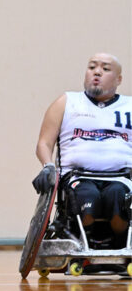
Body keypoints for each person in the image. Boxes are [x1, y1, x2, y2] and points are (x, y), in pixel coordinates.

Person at [33, 53, 131, 243]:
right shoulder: (66, 102)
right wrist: (48, 166)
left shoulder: (130, 106)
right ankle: (86, 240)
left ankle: (119, 242)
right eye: (92, 66)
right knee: (88, 199)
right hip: (78, 177)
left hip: (121, 177)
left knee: (117, 197)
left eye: (105, 68)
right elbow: (44, 143)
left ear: (119, 79)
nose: (97, 72)